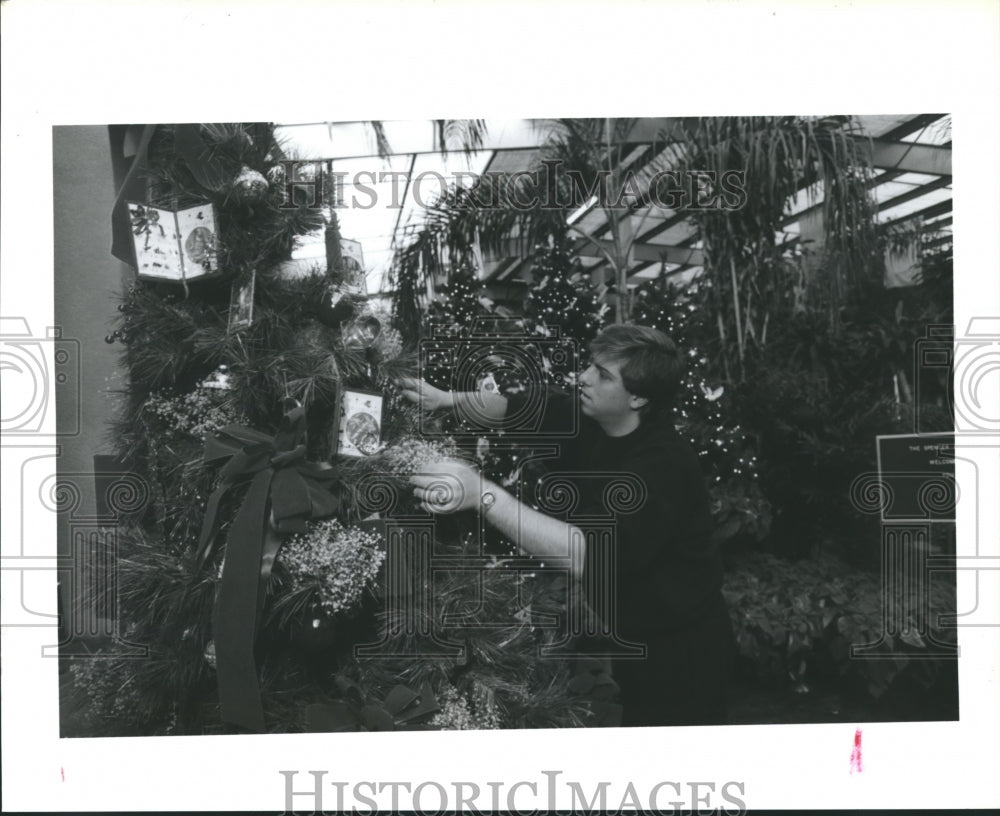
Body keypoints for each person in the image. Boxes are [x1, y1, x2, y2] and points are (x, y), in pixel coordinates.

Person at [401, 324, 734, 726]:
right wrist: (445, 399)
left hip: (683, 651)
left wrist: (483, 495)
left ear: (639, 397)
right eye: (591, 366)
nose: (584, 377)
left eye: (603, 375)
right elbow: (513, 408)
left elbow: (585, 554)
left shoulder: (660, 466)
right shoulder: (589, 418)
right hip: (633, 633)